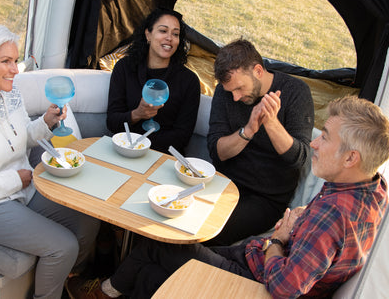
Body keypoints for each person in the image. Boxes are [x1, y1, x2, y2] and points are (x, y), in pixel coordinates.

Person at [66, 95, 389, 298]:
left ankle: (103, 293)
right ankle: (111, 291)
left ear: (351, 158)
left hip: (254, 282)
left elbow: (286, 288)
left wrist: (278, 239)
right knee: (151, 273)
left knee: (159, 244)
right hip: (253, 257)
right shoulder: (374, 189)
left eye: (326, 138)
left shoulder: (332, 216)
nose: (315, 144)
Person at [0, 23, 100, 299]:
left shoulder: (7, 91)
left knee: (88, 219)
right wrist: (14, 179)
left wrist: (46, 122)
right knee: (62, 245)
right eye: (6, 61)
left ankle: (68, 280)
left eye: (15, 60)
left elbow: (21, 137)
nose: (15, 70)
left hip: (24, 188)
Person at [206, 38, 314, 245]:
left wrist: (270, 122)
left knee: (208, 231)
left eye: (239, 88)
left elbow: (300, 159)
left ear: (258, 70)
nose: (235, 97)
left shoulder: (296, 93)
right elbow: (217, 150)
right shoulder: (225, 91)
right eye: (231, 92)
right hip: (222, 182)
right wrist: (248, 130)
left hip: (265, 198)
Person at [106, 7, 201, 154]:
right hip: (124, 151)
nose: (169, 38)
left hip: (162, 158)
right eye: (163, 31)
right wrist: (137, 114)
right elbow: (112, 122)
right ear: (148, 34)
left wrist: (141, 145)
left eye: (175, 34)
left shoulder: (189, 81)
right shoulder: (124, 68)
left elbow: (182, 137)